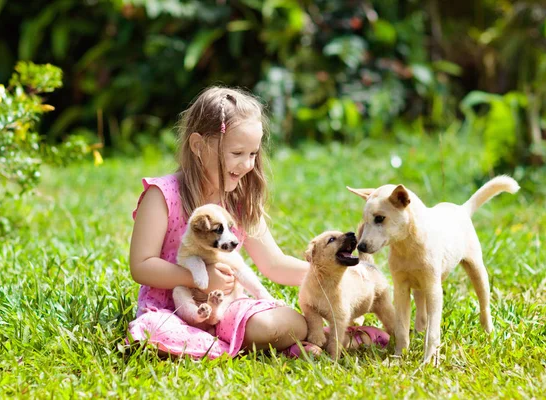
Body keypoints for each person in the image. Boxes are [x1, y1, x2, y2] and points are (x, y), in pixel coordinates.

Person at [127, 86, 389, 359]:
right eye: (237, 153)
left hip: (227, 310)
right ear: (198, 146)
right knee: (154, 333)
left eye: (253, 154)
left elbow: (274, 264)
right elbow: (141, 266)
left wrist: (336, 275)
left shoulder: (239, 203)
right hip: (173, 311)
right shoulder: (162, 196)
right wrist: (198, 278)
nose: (248, 164)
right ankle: (316, 343)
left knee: (286, 323)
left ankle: (319, 339)